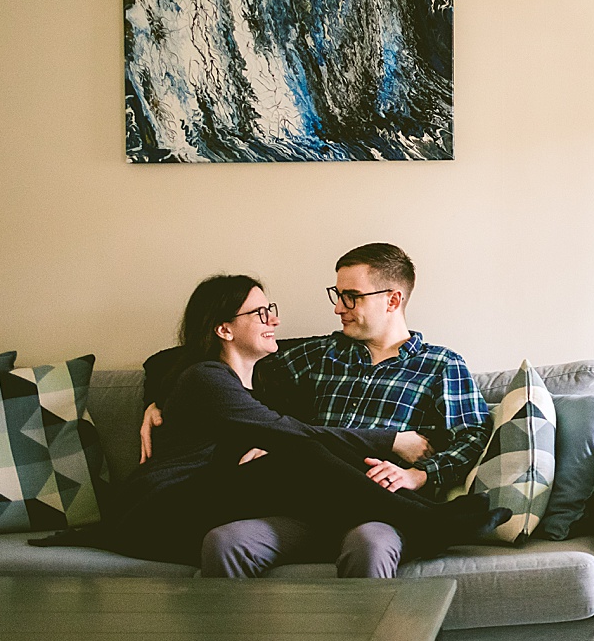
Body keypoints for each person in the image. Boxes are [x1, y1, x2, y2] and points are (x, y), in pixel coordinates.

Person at [141, 243, 491, 578]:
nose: (339, 308)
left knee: (368, 546)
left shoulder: (440, 364)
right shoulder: (320, 354)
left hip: (378, 507)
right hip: (306, 505)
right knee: (227, 541)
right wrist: (158, 404)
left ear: (393, 300)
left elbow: (473, 435)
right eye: (337, 296)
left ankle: (381, 629)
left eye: (351, 297)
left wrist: (423, 474)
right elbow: (190, 357)